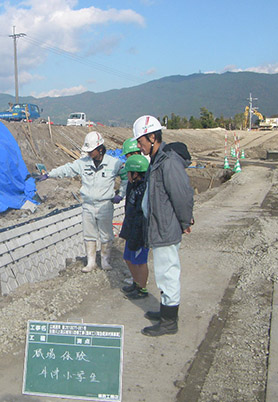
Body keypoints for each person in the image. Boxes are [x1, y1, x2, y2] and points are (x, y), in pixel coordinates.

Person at [133, 115, 194, 337]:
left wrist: (185, 220)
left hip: (166, 227)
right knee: (163, 272)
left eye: (141, 142)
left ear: (152, 137)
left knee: (168, 273)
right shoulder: (157, 160)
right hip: (159, 226)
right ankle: (165, 311)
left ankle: (169, 322)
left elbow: (182, 194)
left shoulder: (168, 162)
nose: (140, 147)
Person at [38, 131, 126, 272]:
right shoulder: (83, 163)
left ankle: (105, 261)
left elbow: (126, 177)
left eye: (92, 151)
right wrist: (49, 174)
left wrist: (121, 194)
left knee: (106, 234)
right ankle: (91, 262)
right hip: (88, 205)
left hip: (105, 204)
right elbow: (67, 169)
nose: (90, 153)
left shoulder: (114, 163)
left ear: (100, 149)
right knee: (89, 233)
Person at [118, 154, 150, 300]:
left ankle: (142, 289)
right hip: (132, 228)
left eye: (129, 173)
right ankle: (136, 283)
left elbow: (142, 213)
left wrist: (138, 233)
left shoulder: (144, 189)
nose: (127, 176)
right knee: (128, 258)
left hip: (141, 231)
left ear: (135, 173)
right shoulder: (135, 186)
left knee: (140, 261)